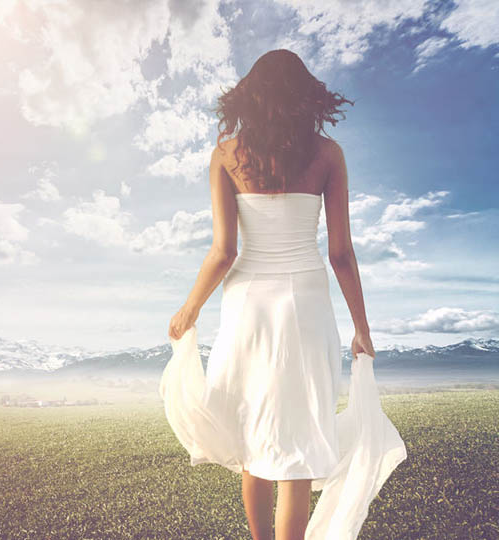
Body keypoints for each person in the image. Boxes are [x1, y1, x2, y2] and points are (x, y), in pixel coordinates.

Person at [167, 49, 376, 540]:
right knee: (297, 446)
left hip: (248, 306)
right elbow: (341, 253)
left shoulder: (227, 153)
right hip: (306, 302)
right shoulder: (328, 154)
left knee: (253, 435)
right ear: (307, 97)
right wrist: (361, 329)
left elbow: (223, 251)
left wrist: (189, 308)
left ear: (249, 96)